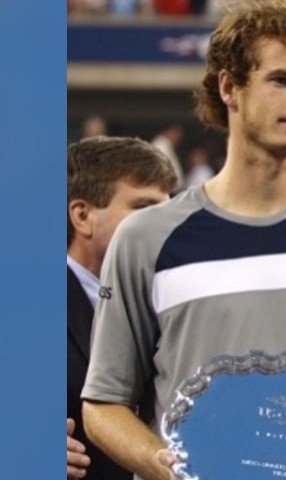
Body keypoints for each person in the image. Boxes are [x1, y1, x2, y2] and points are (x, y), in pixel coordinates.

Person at [81, 2, 286, 479]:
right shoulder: (147, 237)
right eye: (283, 80)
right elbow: (103, 405)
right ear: (229, 87)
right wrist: (173, 470)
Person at [67, 136, 177, 479]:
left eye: (170, 210)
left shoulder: (178, 306)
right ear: (83, 216)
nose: (167, 226)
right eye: (145, 209)